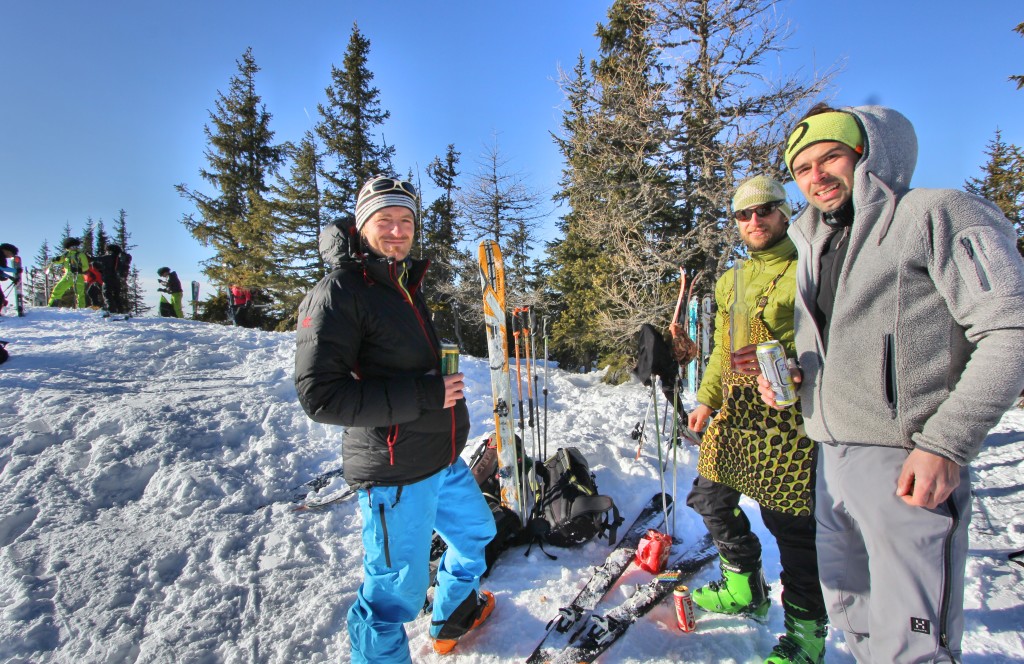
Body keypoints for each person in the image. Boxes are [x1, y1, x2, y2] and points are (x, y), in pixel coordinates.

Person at [759, 104, 1024, 663]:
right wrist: (806, 382)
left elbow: (1011, 329)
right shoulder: (818, 244)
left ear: (868, 153)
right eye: (802, 167)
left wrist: (945, 443)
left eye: (831, 156)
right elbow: (864, 346)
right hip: (831, 459)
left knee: (913, 643)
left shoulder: (936, 214)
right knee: (856, 621)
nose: (816, 176)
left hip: (908, 461)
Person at [294, 176, 495, 662]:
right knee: (390, 602)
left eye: (406, 220)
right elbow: (320, 396)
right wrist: (426, 393)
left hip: (440, 459)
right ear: (363, 225)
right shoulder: (340, 291)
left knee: (475, 537)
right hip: (394, 474)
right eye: (385, 220)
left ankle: (450, 619)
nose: (397, 230)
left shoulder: (401, 282)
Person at [683, 176, 827, 663]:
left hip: (789, 419)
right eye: (743, 215)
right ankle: (745, 589)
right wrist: (707, 398)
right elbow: (724, 349)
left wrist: (797, 371)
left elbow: (835, 342)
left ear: (785, 212)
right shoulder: (733, 279)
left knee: (790, 527)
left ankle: (808, 638)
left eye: (764, 209)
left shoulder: (809, 264)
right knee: (709, 497)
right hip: (738, 411)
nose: (754, 220)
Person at [48, 237, 90, 308]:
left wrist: (79, 270)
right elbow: (59, 260)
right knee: (58, 289)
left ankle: (81, 308)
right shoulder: (66, 255)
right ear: (68, 247)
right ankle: (52, 305)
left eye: (75, 246)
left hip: (78, 276)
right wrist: (55, 259)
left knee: (80, 293)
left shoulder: (80, 255)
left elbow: (86, 266)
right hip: (67, 276)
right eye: (72, 246)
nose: (74, 248)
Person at [93, 245, 131, 315]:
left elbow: (94, 259)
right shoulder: (119, 258)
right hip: (117, 280)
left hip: (108, 279)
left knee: (107, 294)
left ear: (110, 250)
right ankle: (121, 310)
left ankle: (111, 310)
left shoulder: (108, 257)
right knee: (117, 296)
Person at [0, 243, 20, 315]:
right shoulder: (1, 255)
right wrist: (16, 270)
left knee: (1, 297)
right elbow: (2, 268)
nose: (11, 256)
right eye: (12, 254)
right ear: (7, 251)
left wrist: (10, 277)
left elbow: (1, 271)